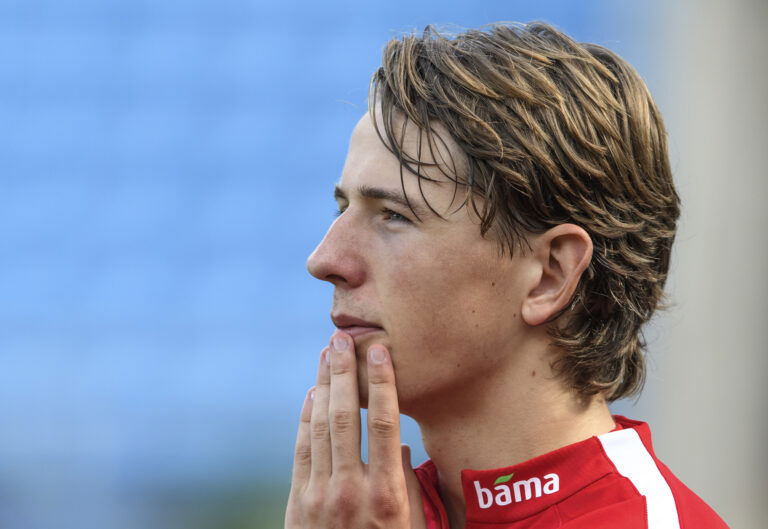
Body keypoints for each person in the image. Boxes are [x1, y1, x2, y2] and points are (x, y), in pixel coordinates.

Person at [284, 22, 729, 529]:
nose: (324, 260)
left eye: (394, 215)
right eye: (342, 208)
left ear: (549, 275)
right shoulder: (370, 515)